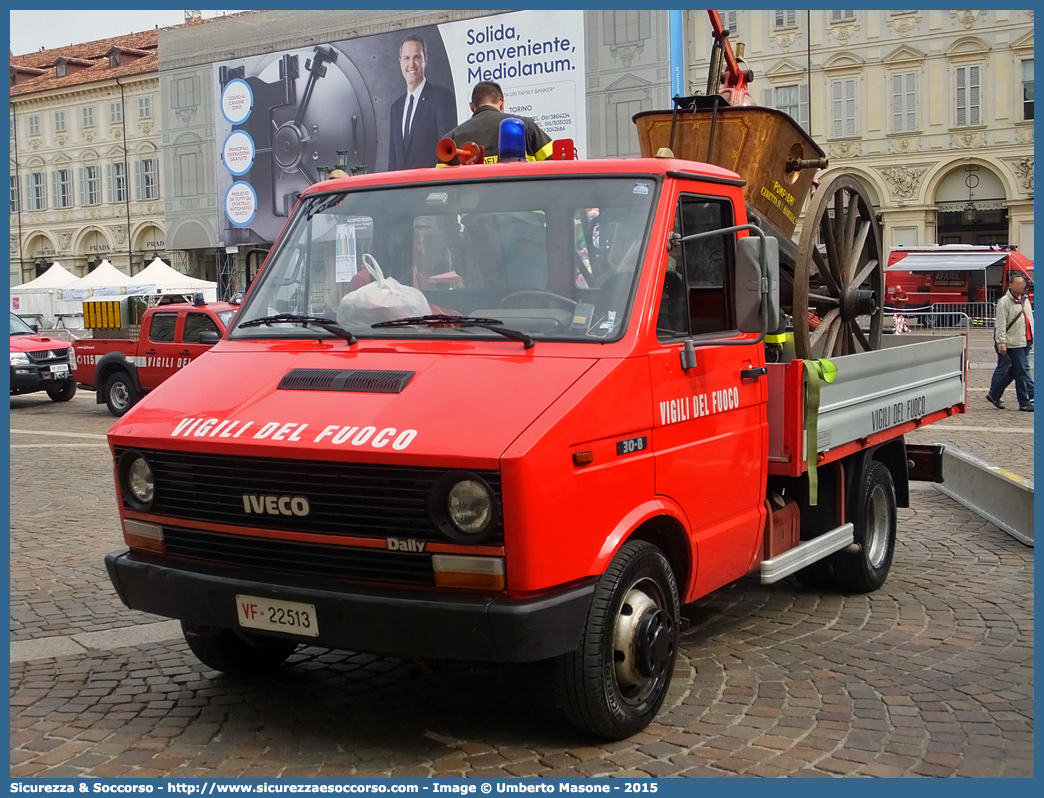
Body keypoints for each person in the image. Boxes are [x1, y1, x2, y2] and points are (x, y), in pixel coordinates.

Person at [438, 81, 554, 165]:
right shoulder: (526, 127)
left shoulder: (451, 139)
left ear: (472, 107)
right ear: (502, 102)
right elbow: (556, 163)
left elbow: (440, 181)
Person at [388, 35, 457, 171]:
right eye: (407, 58)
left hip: (429, 188)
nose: (411, 64)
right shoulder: (396, 108)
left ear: (425, 59)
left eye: (417, 57)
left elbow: (447, 154)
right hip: (402, 189)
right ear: (400, 62)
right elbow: (393, 160)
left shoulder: (441, 97)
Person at [987, 273, 1035, 411]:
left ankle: (994, 394)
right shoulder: (1004, 302)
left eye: (1023, 284)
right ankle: (1024, 402)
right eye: (1019, 284)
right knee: (1021, 372)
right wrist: (1001, 342)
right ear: (1011, 285)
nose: (1022, 287)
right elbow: (1000, 324)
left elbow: (1029, 320)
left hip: (1025, 339)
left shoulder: (1025, 299)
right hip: (1013, 341)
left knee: (1015, 370)